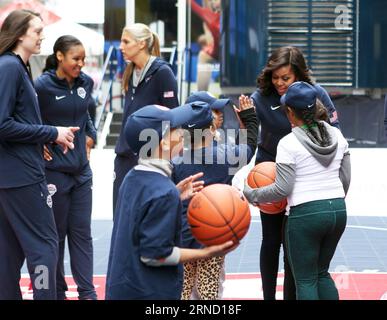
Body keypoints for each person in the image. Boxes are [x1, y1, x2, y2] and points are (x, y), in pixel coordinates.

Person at [105, 102, 237, 300]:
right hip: (150, 293)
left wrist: (174, 194)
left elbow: (143, 213)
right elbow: (155, 255)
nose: (182, 133)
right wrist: (205, 253)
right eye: (175, 129)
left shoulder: (133, 177)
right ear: (163, 142)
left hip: (123, 288)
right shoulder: (163, 192)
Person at [244, 81, 351, 300]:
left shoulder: (288, 143)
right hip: (338, 211)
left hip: (305, 214)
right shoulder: (337, 136)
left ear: (290, 113)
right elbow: (345, 179)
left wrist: (251, 193)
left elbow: (282, 188)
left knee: (306, 279)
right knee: (322, 273)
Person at [0, 10, 79, 300]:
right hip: (22, 177)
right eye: (37, 31)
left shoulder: (15, 67)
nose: (42, 36)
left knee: (8, 252)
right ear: (20, 34)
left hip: (12, 174)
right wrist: (50, 134)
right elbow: (2, 124)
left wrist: (41, 139)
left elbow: (13, 124)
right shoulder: (9, 67)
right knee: (44, 247)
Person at [172, 92, 257, 300]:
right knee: (208, 293)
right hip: (213, 237)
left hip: (182, 237)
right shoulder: (227, 155)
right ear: (210, 127)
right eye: (215, 112)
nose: (220, 115)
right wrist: (249, 120)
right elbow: (249, 147)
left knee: (182, 292)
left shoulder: (174, 160)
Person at [34, 35, 98, 300]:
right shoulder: (42, 86)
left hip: (82, 172)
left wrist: (91, 135)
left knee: (82, 234)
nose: (81, 64)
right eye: (75, 59)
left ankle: (88, 292)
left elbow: (87, 114)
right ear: (60, 56)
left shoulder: (87, 83)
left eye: (83, 59)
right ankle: (57, 291)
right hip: (54, 173)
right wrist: (41, 141)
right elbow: (28, 120)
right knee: (56, 236)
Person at [113, 23, 179, 219]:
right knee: (121, 218)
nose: (121, 46)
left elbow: (173, 118)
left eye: (126, 41)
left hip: (150, 158)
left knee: (146, 219)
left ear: (141, 44)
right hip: (124, 157)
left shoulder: (162, 73)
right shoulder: (129, 72)